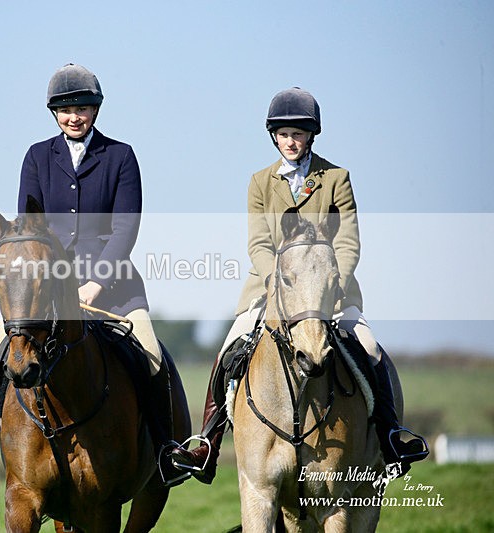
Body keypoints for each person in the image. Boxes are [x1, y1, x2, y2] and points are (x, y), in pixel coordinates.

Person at [0, 63, 183, 488]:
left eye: (84, 108)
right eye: (66, 109)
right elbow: (27, 228)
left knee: (151, 354)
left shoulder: (120, 156)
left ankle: (166, 453)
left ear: (96, 110)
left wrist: (97, 280)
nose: (75, 116)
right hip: (43, 290)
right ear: (54, 113)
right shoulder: (37, 156)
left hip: (113, 287)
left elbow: (126, 227)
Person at [171, 87, 428, 484]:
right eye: (284, 134)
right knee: (228, 349)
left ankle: (390, 436)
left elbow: (347, 240)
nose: (291, 142)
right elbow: (258, 242)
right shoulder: (260, 182)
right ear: (274, 136)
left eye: (299, 134)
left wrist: (333, 282)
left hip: (330, 292)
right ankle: (207, 442)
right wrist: (278, 282)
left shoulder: (336, 179)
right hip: (270, 291)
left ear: (312, 135)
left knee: (371, 348)